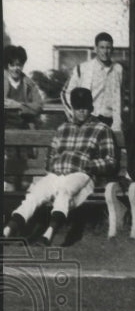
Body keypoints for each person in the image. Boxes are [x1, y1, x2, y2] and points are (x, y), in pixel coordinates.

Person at [3, 88, 117, 246]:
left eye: (85, 107)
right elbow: (52, 155)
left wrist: (89, 164)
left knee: (64, 192)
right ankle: (7, 231)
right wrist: (54, 166)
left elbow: (111, 161)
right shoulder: (63, 128)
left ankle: (48, 235)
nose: (82, 111)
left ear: (90, 107)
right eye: (78, 107)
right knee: (35, 194)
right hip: (57, 174)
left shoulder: (101, 129)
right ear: (73, 108)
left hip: (82, 175)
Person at [61, 32, 123, 132]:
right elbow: (65, 93)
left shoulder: (118, 69)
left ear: (112, 49)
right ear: (95, 49)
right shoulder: (83, 68)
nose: (105, 51)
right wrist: (74, 114)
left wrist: (118, 122)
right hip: (87, 119)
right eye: (102, 47)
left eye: (108, 48)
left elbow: (120, 98)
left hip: (108, 121)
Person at [4, 45, 44, 129]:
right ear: (7, 65)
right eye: (12, 65)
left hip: (25, 129)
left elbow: (38, 105)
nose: (16, 68)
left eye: (19, 65)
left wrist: (19, 105)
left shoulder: (29, 84)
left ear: (23, 65)